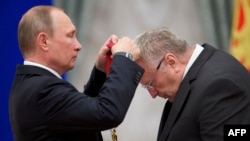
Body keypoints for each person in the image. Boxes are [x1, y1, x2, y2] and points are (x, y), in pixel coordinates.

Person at [9, 5, 144, 141]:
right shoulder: (43, 90)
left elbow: (82, 117)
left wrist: (100, 71)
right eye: (70, 36)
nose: (78, 45)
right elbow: (107, 113)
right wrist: (124, 58)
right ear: (44, 41)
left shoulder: (33, 85)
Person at [134, 27, 250, 141]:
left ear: (171, 62)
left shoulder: (218, 85)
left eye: (151, 83)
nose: (153, 94)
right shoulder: (195, 80)